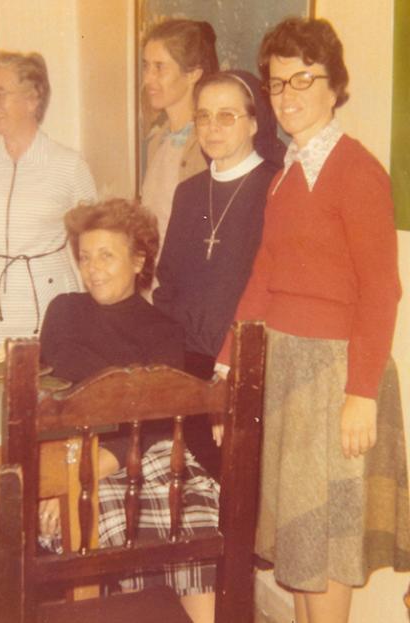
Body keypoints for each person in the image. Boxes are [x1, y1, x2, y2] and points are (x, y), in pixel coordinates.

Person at [218, 17, 410, 623]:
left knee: (327, 548)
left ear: (335, 87)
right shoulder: (283, 178)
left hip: (337, 381)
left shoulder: (358, 171)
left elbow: (382, 291)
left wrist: (360, 396)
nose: (288, 95)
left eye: (303, 79)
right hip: (286, 375)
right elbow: (261, 280)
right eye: (277, 84)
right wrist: (228, 367)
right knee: (301, 548)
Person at [40, 199, 219, 623]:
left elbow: (159, 420)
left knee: (193, 517)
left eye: (106, 255)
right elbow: (44, 399)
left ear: (139, 261)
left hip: (146, 452)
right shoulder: (63, 311)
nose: (93, 268)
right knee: (108, 522)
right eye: (85, 257)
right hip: (72, 450)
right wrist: (52, 478)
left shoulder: (163, 330)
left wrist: (100, 463)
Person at [153, 70, 284, 476]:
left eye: (226, 116)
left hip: (244, 367)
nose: (211, 128)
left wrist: (227, 369)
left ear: (255, 121)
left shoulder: (275, 187)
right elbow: (168, 282)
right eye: (204, 116)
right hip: (185, 369)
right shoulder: (188, 192)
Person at [0, 51, 97, 343]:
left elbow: (91, 242)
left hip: (46, 306)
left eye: (0, 94)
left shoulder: (69, 165)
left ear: (33, 99)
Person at [141, 18, 219, 244]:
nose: (148, 78)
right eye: (146, 66)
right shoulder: (158, 140)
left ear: (193, 73)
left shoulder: (207, 143)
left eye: (160, 67)